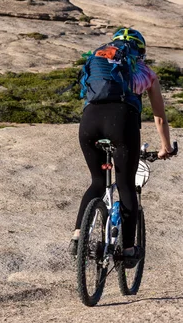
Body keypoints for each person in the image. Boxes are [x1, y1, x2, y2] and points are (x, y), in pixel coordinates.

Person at [70, 27, 175, 263]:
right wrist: (165, 147)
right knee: (126, 185)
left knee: (97, 182)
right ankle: (127, 250)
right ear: (141, 52)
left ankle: (78, 236)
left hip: (89, 121)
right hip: (121, 122)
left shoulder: (99, 61)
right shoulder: (146, 72)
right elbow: (159, 117)